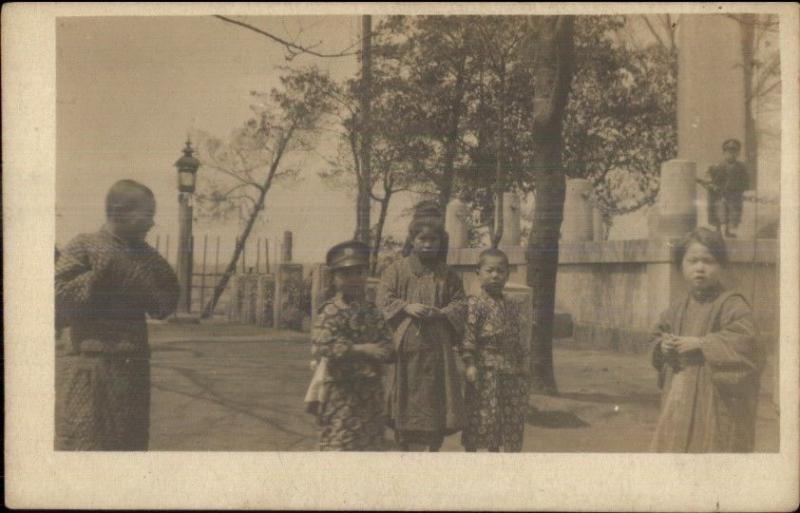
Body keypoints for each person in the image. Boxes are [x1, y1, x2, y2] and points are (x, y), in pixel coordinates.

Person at [54, 180, 180, 450]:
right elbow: (57, 298)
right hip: (89, 366)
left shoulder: (147, 256)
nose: (151, 224)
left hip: (132, 368)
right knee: (86, 446)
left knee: (129, 447)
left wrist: (148, 283)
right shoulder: (83, 246)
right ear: (120, 211)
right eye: (147, 215)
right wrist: (101, 278)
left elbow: (165, 303)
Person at [650, 228, 763, 452]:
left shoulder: (732, 304)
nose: (700, 268)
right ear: (681, 265)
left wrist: (703, 344)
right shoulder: (676, 309)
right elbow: (656, 336)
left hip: (715, 401)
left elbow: (748, 345)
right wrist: (662, 346)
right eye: (692, 261)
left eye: (708, 261)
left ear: (720, 266)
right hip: (679, 397)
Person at [378, 201, 466, 452]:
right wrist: (406, 307)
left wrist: (442, 313)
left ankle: (433, 445)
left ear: (441, 242)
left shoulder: (448, 275)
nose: (427, 244)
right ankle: (404, 440)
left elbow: (461, 303)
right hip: (406, 347)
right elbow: (383, 297)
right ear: (412, 240)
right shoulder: (397, 269)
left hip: (437, 347)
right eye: (422, 239)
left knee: (435, 396)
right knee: (405, 394)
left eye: (433, 239)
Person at [310, 240, 395, 451]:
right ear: (334, 278)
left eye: (359, 272)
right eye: (346, 274)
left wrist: (384, 351)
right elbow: (324, 345)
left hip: (370, 393)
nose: (354, 279)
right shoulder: (331, 311)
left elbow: (387, 342)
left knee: (370, 446)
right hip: (341, 392)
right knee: (338, 446)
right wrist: (362, 349)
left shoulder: (373, 311)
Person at [460, 248, 529, 452]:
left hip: (510, 370)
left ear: (507, 274)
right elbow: (468, 336)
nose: (495, 275)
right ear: (478, 272)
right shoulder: (474, 304)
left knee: (508, 416)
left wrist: (522, 365)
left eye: (501, 271)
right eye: (490, 270)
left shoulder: (512, 305)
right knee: (483, 416)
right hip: (484, 370)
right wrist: (470, 364)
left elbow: (518, 339)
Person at [705, 138, 750, 238]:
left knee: (733, 213)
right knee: (719, 212)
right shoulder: (716, 166)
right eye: (729, 151)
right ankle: (718, 231)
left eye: (735, 151)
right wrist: (711, 185)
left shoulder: (741, 167)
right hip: (719, 195)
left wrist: (742, 190)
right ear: (724, 152)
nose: (732, 154)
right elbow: (708, 178)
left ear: (738, 153)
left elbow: (745, 181)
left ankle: (728, 231)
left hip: (734, 195)